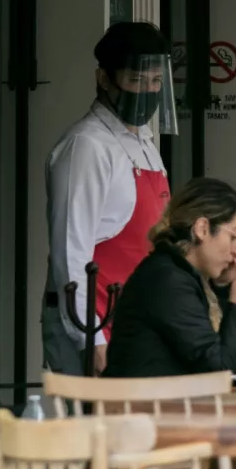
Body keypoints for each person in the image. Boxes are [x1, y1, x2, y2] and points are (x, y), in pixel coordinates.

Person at [43, 21, 178, 376]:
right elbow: (71, 251)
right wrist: (91, 339)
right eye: (136, 80)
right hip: (95, 324)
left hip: (138, 324)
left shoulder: (146, 147)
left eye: (155, 82)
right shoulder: (87, 146)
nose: (147, 91)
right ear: (104, 78)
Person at [103, 178, 236, 378]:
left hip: (157, 404)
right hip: (139, 407)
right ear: (202, 229)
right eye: (234, 237)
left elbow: (212, 350)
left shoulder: (174, 272)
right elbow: (218, 370)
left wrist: (223, 285)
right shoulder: (167, 281)